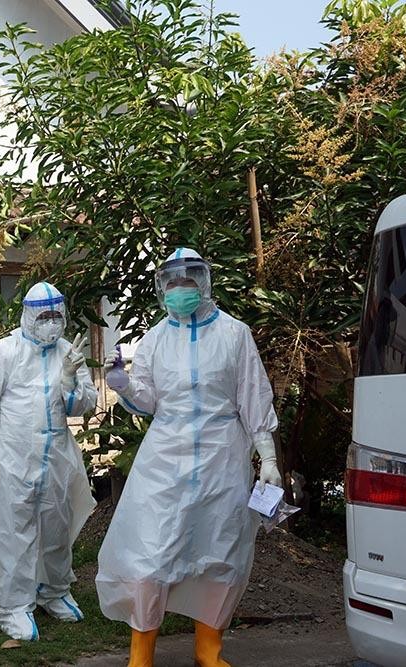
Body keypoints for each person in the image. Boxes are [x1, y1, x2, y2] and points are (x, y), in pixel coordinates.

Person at [95, 248, 281, 667]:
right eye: (172, 283)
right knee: (150, 552)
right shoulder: (157, 338)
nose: (180, 290)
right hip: (164, 459)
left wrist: (267, 456)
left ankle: (208, 651)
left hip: (223, 458)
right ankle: (141, 654)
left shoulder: (235, 334)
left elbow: (253, 397)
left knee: (219, 550)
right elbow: (147, 401)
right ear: (163, 288)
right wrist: (123, 384)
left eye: (188, 281)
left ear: (203, 283)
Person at [0, 281, 97, 641]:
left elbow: (82, 406)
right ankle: (12, 606)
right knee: (13, 530)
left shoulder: (68, 352)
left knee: (56, 525)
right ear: (27, 315)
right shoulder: (1, 352)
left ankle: (53, 590)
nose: (51, 323)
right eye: (44, 316)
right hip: (12, 456)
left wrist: (71, 379)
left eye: (57, 316)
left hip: (56, 455)